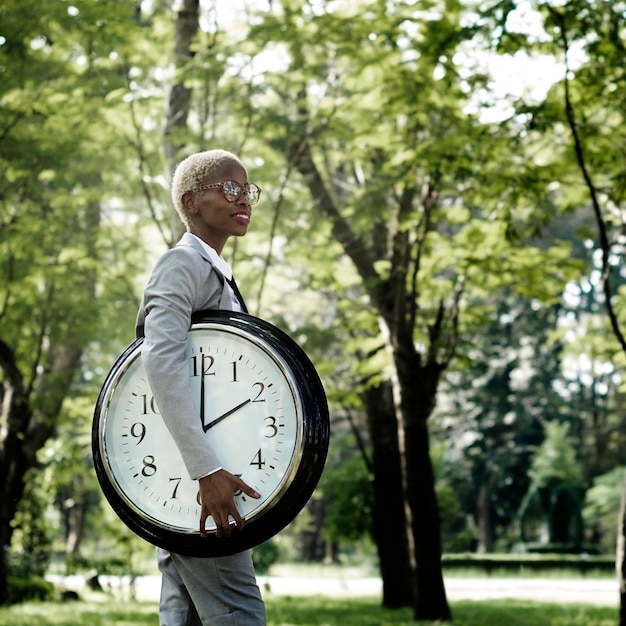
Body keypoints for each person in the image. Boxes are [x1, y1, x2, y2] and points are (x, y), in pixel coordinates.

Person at [135, 150, 267, 625]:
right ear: (191, 201)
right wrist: (207, 470)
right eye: (228, 187)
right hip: (202, 480)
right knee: (238, 612)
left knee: (184, 617)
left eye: (247, 189)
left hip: (195, 480)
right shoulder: (181, 263)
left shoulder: (213, 269)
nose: (243, 198)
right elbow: (160, 359)